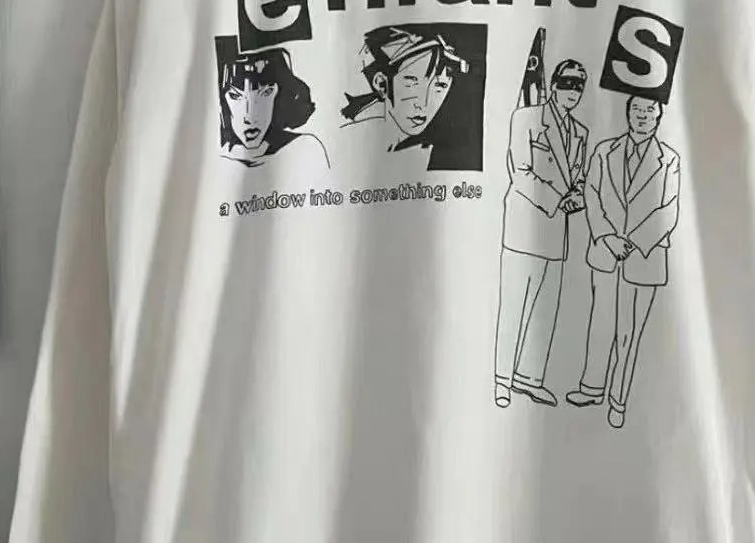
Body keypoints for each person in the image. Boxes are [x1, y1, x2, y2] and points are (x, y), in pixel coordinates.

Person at [567, 93, 680, 428]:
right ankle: (591, 387)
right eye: (636, 109)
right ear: (627, 113)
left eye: (649, 110)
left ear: (659, 116)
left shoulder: (669, 159)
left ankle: (618, 400)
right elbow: (592, 194)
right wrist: (607, 236)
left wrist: (633, 242)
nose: (642, 115)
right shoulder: (605, 151)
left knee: (628, 334)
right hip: (606, 252)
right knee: (600, 322)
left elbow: (669, 209)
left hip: (644, 258)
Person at [493, 59, 588, 407]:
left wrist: (577, 196)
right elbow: (520, 170)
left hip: (557, 228)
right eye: (567, 83)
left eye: (579, 86)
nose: (573, 91)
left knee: (546, 306)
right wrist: (558, 199)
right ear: (555, 83)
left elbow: (579, 177)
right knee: (514, 304)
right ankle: (502, 380)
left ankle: (530, 378)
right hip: (525, 223)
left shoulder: (580, 133)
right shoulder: (527, 118)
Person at [340, 24, 475, 170]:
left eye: (440, 85)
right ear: (382, 84)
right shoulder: (347, 144)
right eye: (412, 82)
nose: (424, 103)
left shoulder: (425, 150)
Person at [216, 40, 329, 173]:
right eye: (235, 96)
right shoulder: (214, 160)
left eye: (266, 93)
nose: (250, 117)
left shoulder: (304, 147)